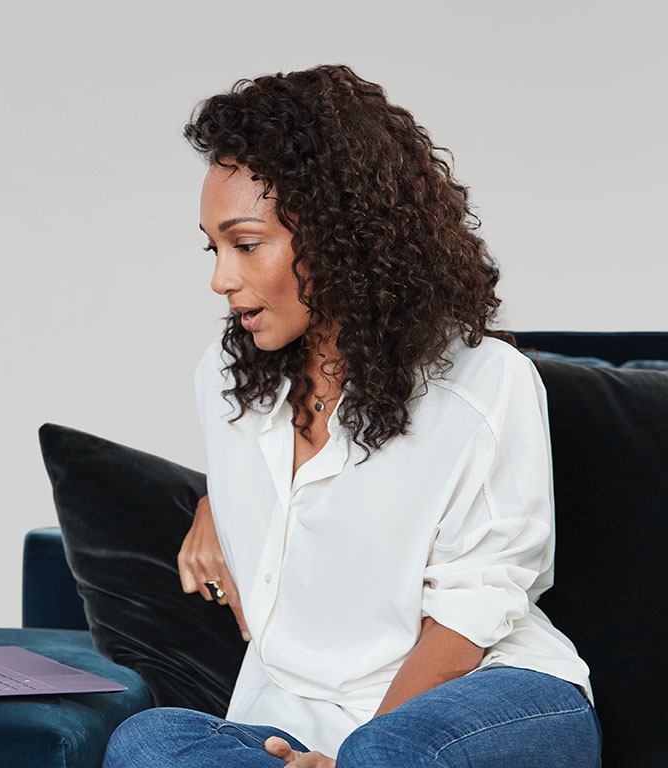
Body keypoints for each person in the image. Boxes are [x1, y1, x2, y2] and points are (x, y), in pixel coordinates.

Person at [101, 65, 601, 767]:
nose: (221, 278)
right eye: (213, 248)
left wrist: (360, 761)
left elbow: (468, 621)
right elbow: (284, 532)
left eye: (245, 244)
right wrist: (218, 503)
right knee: (146, 744)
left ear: (340, 236)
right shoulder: (226, 378)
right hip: (301, 721)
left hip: (484, 701)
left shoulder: (484, 382)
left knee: (386, 753)